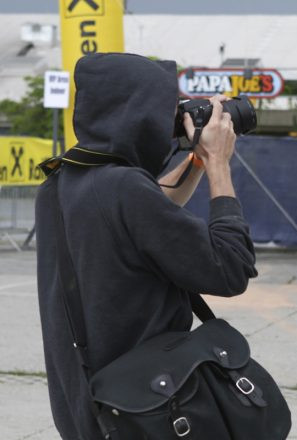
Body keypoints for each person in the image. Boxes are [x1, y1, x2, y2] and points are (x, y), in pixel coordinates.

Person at [35, 53, 258, 440]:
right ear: (136, 114)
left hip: (92, 410)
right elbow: (231, 268)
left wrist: (198, 159)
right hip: (150, 413)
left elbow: (145, 211)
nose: (170, 121)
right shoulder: (122, 190)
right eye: (166, 109)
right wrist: (220, 163)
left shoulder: (60, 184)